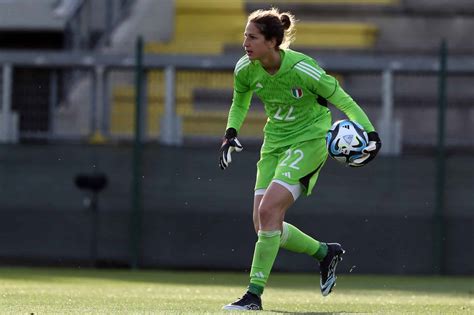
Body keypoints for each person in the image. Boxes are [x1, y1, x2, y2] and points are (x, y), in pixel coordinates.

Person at [219, 7, 381, 311]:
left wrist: (372, 134)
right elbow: (239, 100)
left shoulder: (303, 68)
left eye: (252, 37)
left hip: (309, 143)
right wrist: (231, 132)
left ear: (272, 41)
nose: (245, 42)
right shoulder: (245, 68)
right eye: (245, 36)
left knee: (268, 211)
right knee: (263, 225)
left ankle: (253, 295)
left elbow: (342, 99)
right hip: (273, 146)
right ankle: (324, 252)